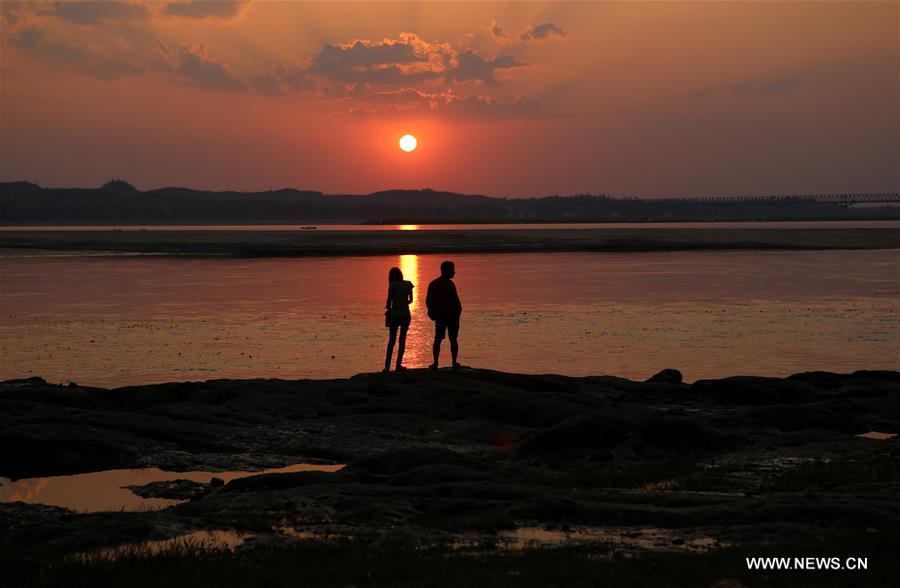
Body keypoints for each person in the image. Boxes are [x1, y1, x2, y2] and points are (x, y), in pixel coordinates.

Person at [425, 260, 462, 369]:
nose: (454, 272)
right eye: (452, 270)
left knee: (438, 338)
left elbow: (428, 301)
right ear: (446, 271)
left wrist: (431, 312)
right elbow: (456, 301)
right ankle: (454, 363)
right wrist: (457, 313)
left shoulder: (433, 283)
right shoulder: (449, 284)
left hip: (440, 316)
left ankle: (435, 363)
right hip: (450, 316)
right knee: (453, 338)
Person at [384, 266, 413, 372]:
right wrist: (404, 303)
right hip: (406, 314)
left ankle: (387, 367)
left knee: (392, 340)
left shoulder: (392, 285)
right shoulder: (408, 284)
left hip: (395, 315)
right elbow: (411, 300)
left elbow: (389, 301)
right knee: (402, 340)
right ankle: (398, 365)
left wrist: (389, 308)